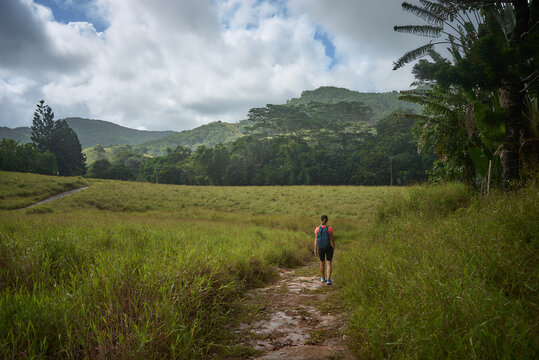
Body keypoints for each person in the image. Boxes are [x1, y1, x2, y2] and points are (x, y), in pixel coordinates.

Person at [314, 215, 335, 285]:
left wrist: (315, 249)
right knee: (328, 264)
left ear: (321, 220)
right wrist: (333, 247)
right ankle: (328, 280)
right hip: (328, 248)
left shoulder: (317, 229)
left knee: (322, 263)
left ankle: (323, 278)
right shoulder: (330, 229)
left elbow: (316, 240)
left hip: (321, 248)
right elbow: (332, 239)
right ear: (327, 221)